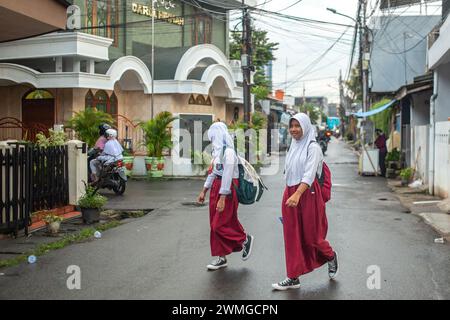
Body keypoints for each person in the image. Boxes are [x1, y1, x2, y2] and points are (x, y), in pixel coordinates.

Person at [272, 113, 338, 291]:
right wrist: (289, 193)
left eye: (297, 126)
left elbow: (309, 174)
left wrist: (297, 194)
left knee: (312, 237)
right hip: (291, 192)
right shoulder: (293, 145)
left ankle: (330, 256)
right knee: (291, 235)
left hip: (308, 193)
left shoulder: (313, 147)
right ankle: (293, 276)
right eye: (291, 126)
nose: (294, 129)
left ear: (306, 127)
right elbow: (290, 171)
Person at [197, 122, 254, 271]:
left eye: (212, 136)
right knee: (216, 224)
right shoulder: (217, 153)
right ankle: (221, 257)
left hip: (226, 190)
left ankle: (244, 239)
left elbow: (227, 176)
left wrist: (222, 197)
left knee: (219, 225)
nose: (211, 140)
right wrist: (204, 190)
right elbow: (213, 173)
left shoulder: (228, 152)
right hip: (217, 187)